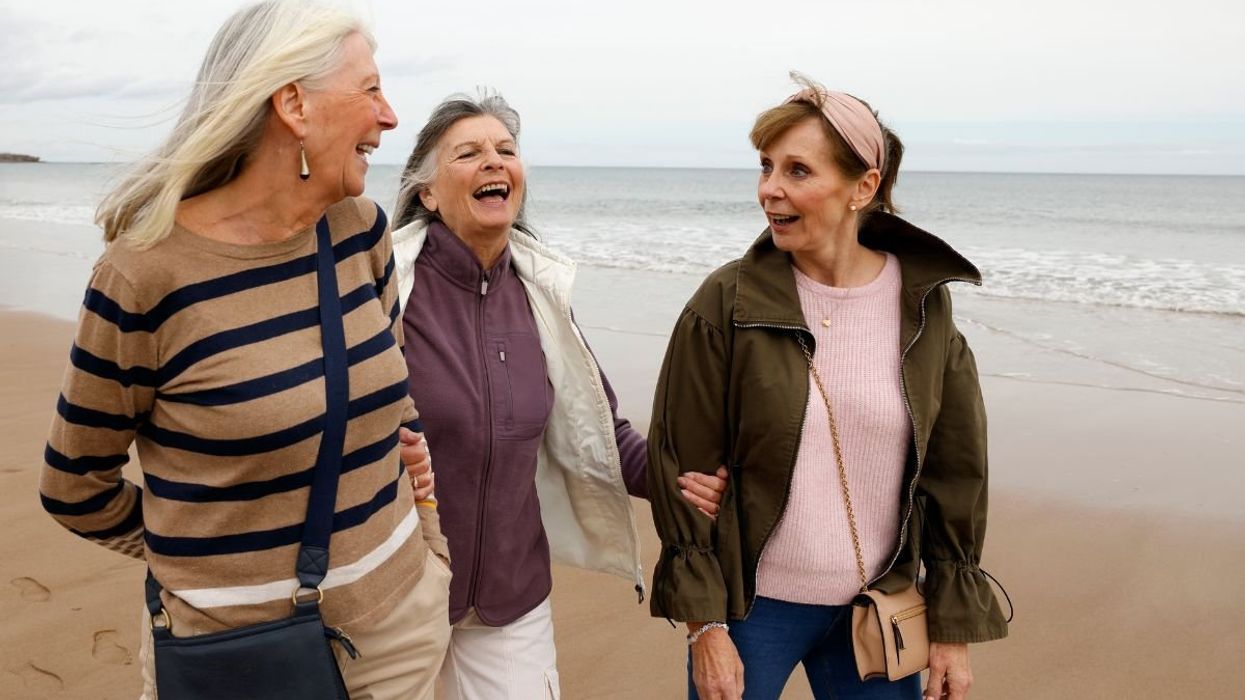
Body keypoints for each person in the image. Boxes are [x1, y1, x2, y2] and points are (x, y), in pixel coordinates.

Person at [38, 2, 450, 697]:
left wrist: (427, 538)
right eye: (371, 89)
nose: (390, 117)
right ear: (293, 104)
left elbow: (391, 390)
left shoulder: (360, 231)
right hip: (238, 658)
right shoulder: (144, 276)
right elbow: (74, 486)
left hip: (402, 628)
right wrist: (201, 571)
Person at [646, 74, 1010, 700]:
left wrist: (952, 628)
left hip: (878, 607)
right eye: (765, 167)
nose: (769, 190)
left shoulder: (924, 307)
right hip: (750, 608)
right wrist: (704, 625)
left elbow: (955, 474)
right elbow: (681, 467)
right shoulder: (725, 303)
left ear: (863, 187)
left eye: (797, 171)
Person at [390, 91, 728, 699]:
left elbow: (605, 436)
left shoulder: (543, 298)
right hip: (396, 593)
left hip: (509, 595)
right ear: (428, 193)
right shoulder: (385, 290)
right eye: (468, 153)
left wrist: (684, 479)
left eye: (507, 150)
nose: (494, 162)